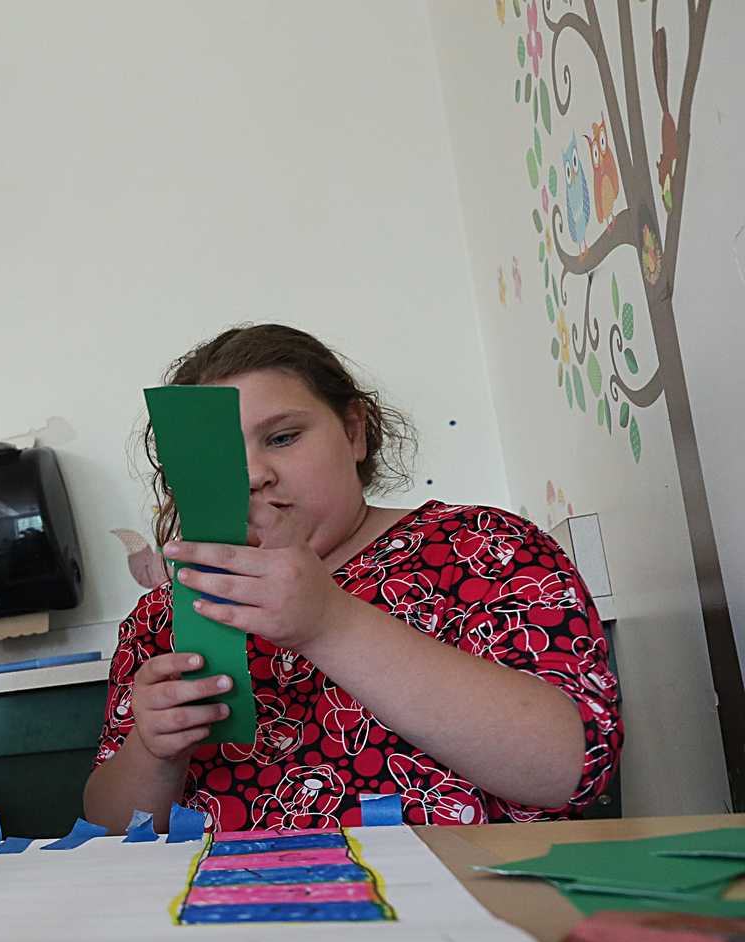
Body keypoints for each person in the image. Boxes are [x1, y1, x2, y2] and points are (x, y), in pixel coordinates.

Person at [85, 324, 620, 834]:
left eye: (283, 437)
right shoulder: (162, 617)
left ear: (353, 431)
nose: (251, 474)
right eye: (216, 453)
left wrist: (328, 623)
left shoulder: (483, 545)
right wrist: (153, 752)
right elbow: (107, 830)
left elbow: (567, 771)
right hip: (225, 914)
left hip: (457, 904)